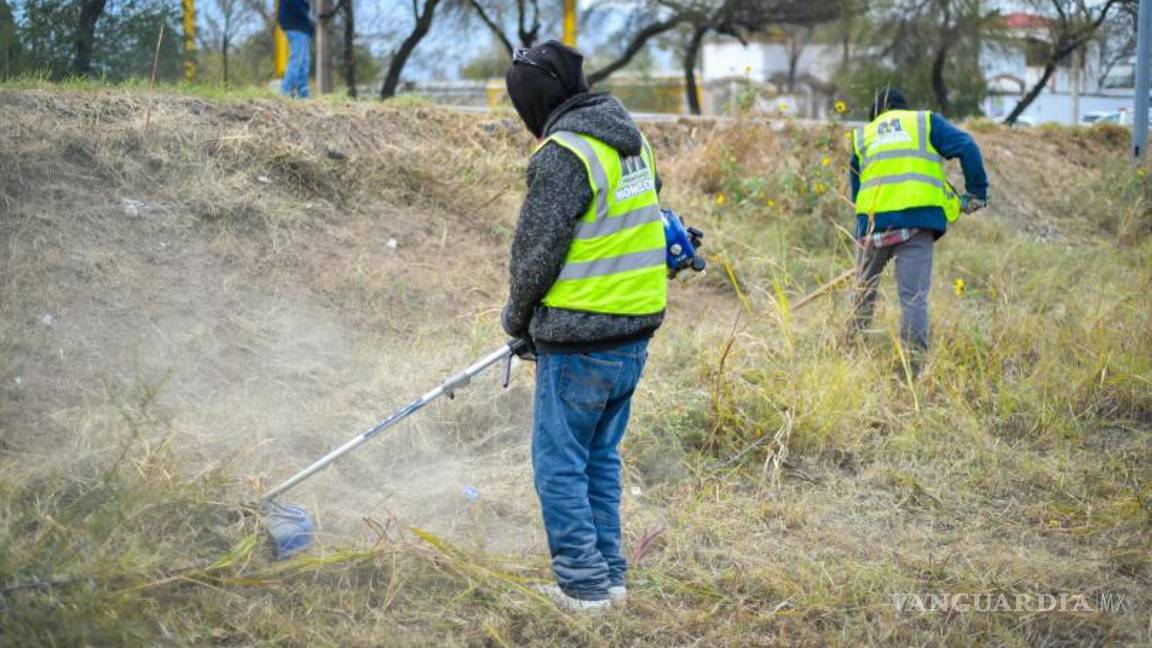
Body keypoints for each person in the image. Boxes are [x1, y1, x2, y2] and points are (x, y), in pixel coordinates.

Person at [501, 40, 666, 613]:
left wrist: (516, 323)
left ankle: (583, 587)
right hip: (634, 336)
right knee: (598, 458)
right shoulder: (633, 142)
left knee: (559, 465)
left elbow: (534, 258)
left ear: (533, 105)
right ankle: (611, 579)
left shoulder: (563, 155)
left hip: (580, 343)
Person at [848, 88, 988, 365]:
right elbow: (967, 146)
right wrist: (976, 192)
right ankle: (912, 368)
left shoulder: (864, 135)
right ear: (903, 108)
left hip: (873, 226)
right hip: (916, 224)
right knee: (913, 299)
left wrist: (864, 226)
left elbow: (856, 187)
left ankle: (849, 354)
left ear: (876, 115)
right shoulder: (924, 122)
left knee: (862, 293)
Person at [277, 0, 313, 98]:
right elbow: (297, 7)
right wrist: (308, 18)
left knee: (304, 62)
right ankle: (285, 91)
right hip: (296, 25)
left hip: (301, 27)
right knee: (297, 60)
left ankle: (303, 94)